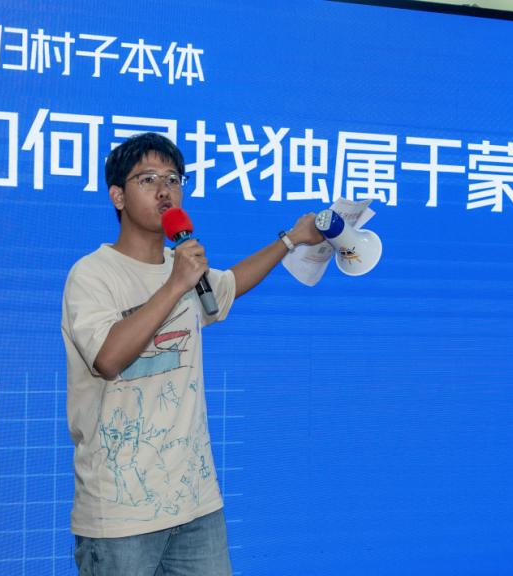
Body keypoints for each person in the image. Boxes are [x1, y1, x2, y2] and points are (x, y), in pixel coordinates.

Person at [61, 132, 322, 575]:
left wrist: (291, 239)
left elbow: (229, 284)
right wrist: (175, 284)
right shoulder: (93, 274)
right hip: (120, 513)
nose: (164, 190)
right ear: (118, 196)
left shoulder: (182, 266)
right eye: (148, 179)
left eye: (173, 179)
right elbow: (107, 359)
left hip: (197, 505)